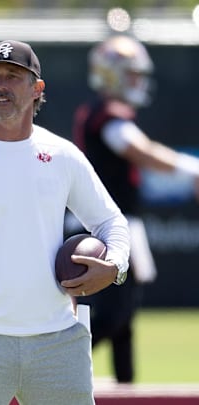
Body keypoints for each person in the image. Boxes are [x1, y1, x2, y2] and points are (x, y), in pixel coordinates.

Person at [0, 40, 131, 404]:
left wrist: (114, 267)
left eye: (14, 76)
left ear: (37, 89)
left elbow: (112, 222)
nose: (1, 85)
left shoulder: (63, 156)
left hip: (58, 345)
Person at [72, 34, 199, 384]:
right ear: (111, 74)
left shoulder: (105, 113)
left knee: (124, 321)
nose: (137, 81)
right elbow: (138, 150)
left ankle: (127, 389)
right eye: (129, 74)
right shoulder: (107, 117)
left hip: (123, 223)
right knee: (112, 317)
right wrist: (193, 170)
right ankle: (54, 368)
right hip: (107, 228)